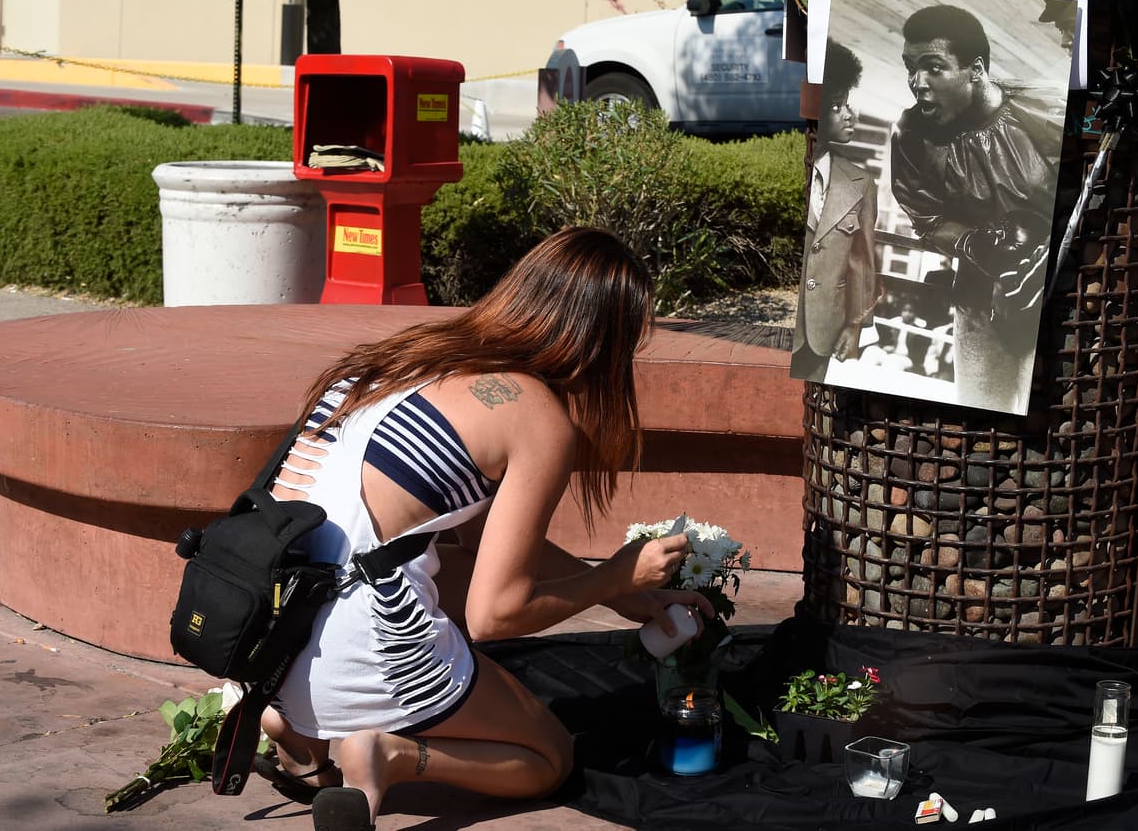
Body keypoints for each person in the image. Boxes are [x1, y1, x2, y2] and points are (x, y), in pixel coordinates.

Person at [253, 226, 713, 831]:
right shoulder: (538, 418)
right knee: (548, 757)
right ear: (603, 344)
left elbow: (483, 546)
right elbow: (498, 616)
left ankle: (295, 725)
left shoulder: (409, 357)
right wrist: (611, 575)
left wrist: (621, 591)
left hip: (268, 634)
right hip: (357, 648)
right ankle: (387, 752)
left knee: (440, 564)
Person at [890, 4, 1064, 413]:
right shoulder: (912, 134)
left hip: (1058, 287)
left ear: (976, 69)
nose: (917, 83)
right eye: (911, 67)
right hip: (979, 304)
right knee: (983, 427)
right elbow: (927, 220)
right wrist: (975, 243)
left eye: (934, 67)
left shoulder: (1047, 112)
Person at [791, 40, 884, 384]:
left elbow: (863, 261)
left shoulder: (861, 183)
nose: (849, 114)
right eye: (835, 106)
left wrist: (856, 324)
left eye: (847, 103)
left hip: (824, 333)